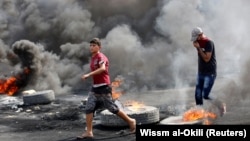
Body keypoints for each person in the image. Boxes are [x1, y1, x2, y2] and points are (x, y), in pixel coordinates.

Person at [77, 38, 136, 139]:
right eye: (90, 45)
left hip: (104, 87)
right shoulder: (93, 57)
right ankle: (89, 132)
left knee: (112, 108)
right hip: (95, 88)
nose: (91, 47)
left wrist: (88, 74)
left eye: (94, 45)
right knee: (89, 108)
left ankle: (131, 121)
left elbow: (103, 68)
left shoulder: (101, 56)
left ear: (99, 47)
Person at [190, 27, 217, 106]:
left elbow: (206, 59)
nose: (195, 40)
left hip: (210, 73)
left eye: (196, 38)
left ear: (201, 35)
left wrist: (198, 48)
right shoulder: (198, 42)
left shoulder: (209, 43)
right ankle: (199, 112)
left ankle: (220, 104)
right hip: (201, 72)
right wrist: (198, 47)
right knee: (198, 95)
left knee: (206, 95)